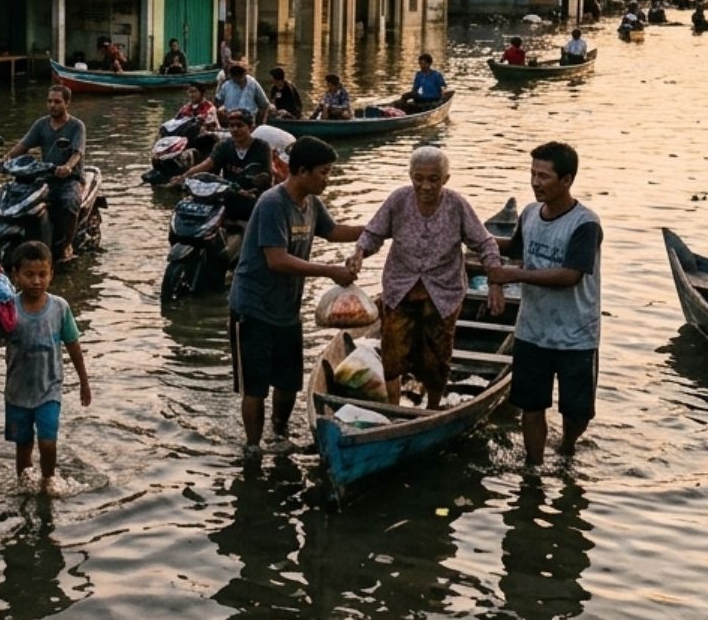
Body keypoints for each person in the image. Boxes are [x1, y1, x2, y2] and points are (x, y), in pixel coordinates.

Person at [228, 136, 365, 450]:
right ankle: (252, 447)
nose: (328, 179)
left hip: (286, 309)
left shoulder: (311, 204)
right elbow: (276, 260)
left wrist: (376, 230)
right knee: (255, 388)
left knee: (289, 383)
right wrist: (331, 271)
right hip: (253, 308)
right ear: (302, 171)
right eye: (324, 172)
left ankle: (280, 435)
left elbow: (333, 232)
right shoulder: (273, 203)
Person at [349, 148, 504, 410]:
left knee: (437, 358)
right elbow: (373, 233)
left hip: (443, 294)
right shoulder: (399, 200)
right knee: (393, 354)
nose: (425, 186)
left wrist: (495, 280)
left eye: (433, 179)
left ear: (446, 178)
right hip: (401, 289)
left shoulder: (457, 205)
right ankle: (394, 409)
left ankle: (432, 409)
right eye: (418, 178)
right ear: (410, 176)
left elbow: (485, 243)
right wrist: (359, 253)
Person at [487, 141, 602, 466]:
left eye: (544, 176)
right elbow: (514, 249)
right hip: (532, 330)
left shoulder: (584, 224)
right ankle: (534, 466)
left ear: (566, 180)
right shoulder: (529, 213)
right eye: (533, 174)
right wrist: (475, 239)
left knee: (577, 412)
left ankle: (567, 446)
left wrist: (514, 276)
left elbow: (571, 276)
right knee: (532, 405)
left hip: (576, 334)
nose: (536, 183)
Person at [0, 240, 91, 493]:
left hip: (50, 389)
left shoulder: (59, 308)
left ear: (51, 274)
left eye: (42, 275)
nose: (36, 281)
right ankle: (25, 485)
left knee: (48, 442)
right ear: (15, 275)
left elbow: (73, 344)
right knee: (23, 444)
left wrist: (84, 382)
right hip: (17, 392)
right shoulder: (9, 309)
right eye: (29, 275)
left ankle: (48, 481)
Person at [3, 85, 87, 263]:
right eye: (49, 101)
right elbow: (24, 145)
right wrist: (7, 158)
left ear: (67, 103)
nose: (52, 105)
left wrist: (68, 167)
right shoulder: (41, 124)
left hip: (69, 178)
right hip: (45, 176)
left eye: (57, 102)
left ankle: (66, 245)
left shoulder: (76, 126)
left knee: (69, 202)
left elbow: (77, 153)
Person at [173, 108, 274, 224]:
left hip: (251, 197)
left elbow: (267, 176)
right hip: (228, 194)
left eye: (239, 126)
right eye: (231, 126)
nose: (235, 129)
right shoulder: (224, 145)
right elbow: (207, 164)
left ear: (250, 127)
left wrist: (256, 186)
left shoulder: (262, 147)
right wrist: (184, 177)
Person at [215, 61, 270, 126]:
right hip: (232, 121)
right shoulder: (226, 86)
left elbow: (264, 104)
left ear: (244, 74)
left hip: (249, 121)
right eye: (235, 78)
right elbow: (219, 102)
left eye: (239, 77)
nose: (237, 80)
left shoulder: (252, 84)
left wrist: (261, 123)